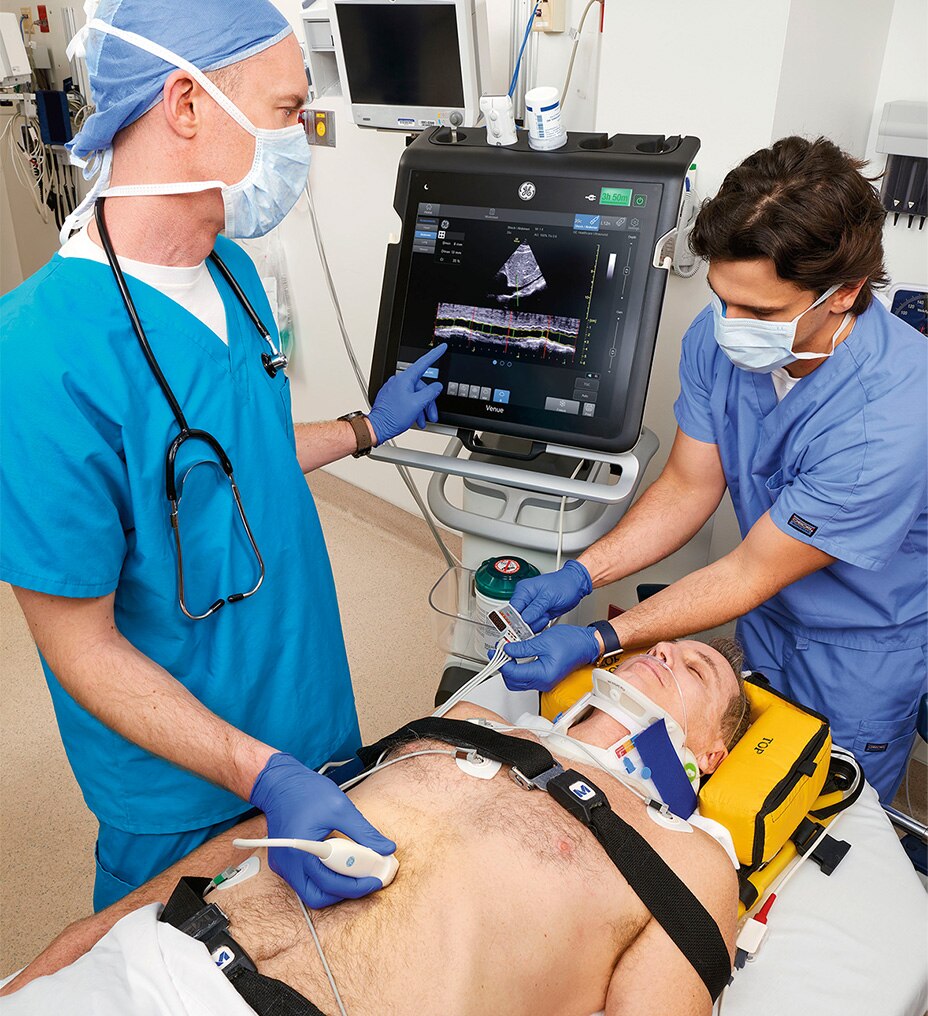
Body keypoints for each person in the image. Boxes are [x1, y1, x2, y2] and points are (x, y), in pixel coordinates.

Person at [0, 0, 446, 914]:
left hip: (308, 709)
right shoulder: (38, 354)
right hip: (184, 782)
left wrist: (367, 429)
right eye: (289, 111)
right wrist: (259, 772)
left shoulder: (233, 272)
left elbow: (228, 459)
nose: (300, 139)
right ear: (186, 104)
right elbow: (82, 649)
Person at [499, 136, 927, 804]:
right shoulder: (718, 336)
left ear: (843, 294)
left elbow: (750, 570)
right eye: (722, 297)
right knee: (723, 788)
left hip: (860, 650)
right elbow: (687, 486)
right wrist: (584, 573)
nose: (730, 325)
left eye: (759, 312)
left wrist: (601, 637)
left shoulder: (891, 415)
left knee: (818, 814)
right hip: (765, 617)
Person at [1, 638, 749, 1015]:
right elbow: (269, 828)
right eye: (661, 646)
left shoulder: (691, 859)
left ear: (711, 755)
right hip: (155, 958)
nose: (665, 651)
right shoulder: (471, 720)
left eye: (697, 669)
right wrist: (86, 934)